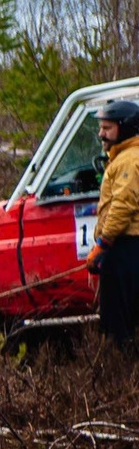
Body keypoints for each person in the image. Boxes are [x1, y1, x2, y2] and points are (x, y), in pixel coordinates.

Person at [90, 99, 139, 349]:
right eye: (101, 127)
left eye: (107, 128)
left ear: (126, 127)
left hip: (125, 248)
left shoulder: (129, 160)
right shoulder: (121, 158)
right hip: (123, 248)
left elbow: (122, 206)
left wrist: (102, 245)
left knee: (118, 324)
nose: (101, 133)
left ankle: (119, 373)